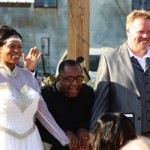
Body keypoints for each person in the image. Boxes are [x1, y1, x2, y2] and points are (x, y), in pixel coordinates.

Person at [0, 25, 70, 150]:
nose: (17, 50)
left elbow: (43, 114)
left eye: (19, 47)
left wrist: (65, 140)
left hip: (31, 141)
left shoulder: (28, 75)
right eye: (11, 46)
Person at [90, 9, 150, 136]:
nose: (146, 36)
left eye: (149, 32)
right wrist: (93, 134)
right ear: (128, 31)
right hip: (124, 137)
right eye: (141, 32)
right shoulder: (110, 59)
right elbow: (101, 102)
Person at [36, 59, 95, 150]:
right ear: (59, 79)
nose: (75, 83)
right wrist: (64, 133)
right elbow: (41, 127)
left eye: (79, 78)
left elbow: (92, 117)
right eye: (70, 79)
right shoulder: (46, 94)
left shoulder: (88, 92)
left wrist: (83, 129)